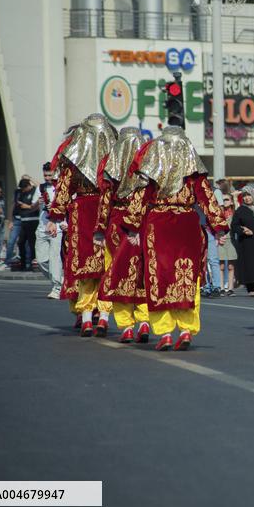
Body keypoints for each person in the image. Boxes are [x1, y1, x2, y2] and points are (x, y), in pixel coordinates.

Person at [122, 126, 228, 351]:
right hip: (187, 224)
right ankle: (187, 329)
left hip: (158, 224)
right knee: (187, 276)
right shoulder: (193, 172)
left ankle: (166, 333)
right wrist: (218, 228)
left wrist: (131, 227)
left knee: (159, 276)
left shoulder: (152, 169)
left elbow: (140, 197)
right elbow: (207, 198)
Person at [47, 116, 118, 336]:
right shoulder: (113, 158)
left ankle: (85, 315)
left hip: (82, 212)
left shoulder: (73, 160)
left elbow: (63, 190)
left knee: (84, 265)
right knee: (107, 266)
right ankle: (101, 315)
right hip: (107, 211)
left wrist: (55, 217)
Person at [93, 127, 151, 344]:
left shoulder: (111, 164)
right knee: (142, 272)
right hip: (144, 222)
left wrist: (99, 228)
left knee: (117, 270)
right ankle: (144, 320)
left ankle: (125, 326)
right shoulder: (147, 162)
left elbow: (105, 200)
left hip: (118, 223)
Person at [35, 163, 64, 299]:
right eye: (45, 175)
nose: (47, 178)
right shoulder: (40, 188)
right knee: (41, 261)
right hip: (42, 226)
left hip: (56, 228)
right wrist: (38, 203)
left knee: (54, 259)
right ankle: (61, 280)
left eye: (50, 175)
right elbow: (32, 207)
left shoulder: (62, 187)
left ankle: (57, 287)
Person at [230, 187, 254, 296]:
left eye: (248, 195)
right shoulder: (240, 210)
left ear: (253, 195)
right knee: (250, 265)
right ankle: (252, 288)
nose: (247, 198)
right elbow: (234, 225)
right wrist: (243, 230)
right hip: (247, 243)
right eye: (244, 196)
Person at [13, 176, 41, 271]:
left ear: (28, 186)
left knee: (32, 243)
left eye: (24, 188)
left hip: (33, 220)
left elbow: (39, 186)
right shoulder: (20, 194)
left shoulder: (34, 191)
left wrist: (28, 207)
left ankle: (34, 263)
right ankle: (23, 263)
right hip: (24, 220)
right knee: (20, 242)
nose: (23, 190)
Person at [218, 194, 238, 294]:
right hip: (220, 240)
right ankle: (221, 287)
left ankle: (230, 288)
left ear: (231, 202)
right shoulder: (218, 213)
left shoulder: (235, 213)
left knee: (231, 266)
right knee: (221, 266)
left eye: (226, 199)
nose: (224, 201)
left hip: (231, 240)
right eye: (222, 200)